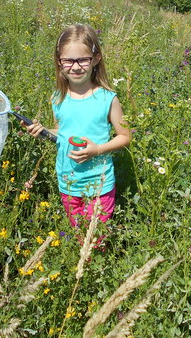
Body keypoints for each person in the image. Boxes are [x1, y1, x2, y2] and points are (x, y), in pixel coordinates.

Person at [26, 24, 130, 229]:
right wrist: (43, 133)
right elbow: (63, 134)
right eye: (68, 60)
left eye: (83, 59)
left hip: (99, 184)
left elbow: (125, 137)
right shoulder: (57, 98)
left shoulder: (107, 99)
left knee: (94, 237)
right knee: (78, 233)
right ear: (59, 62)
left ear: (96, 59)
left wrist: (97, 150)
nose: (75, 66)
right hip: (68, 183)